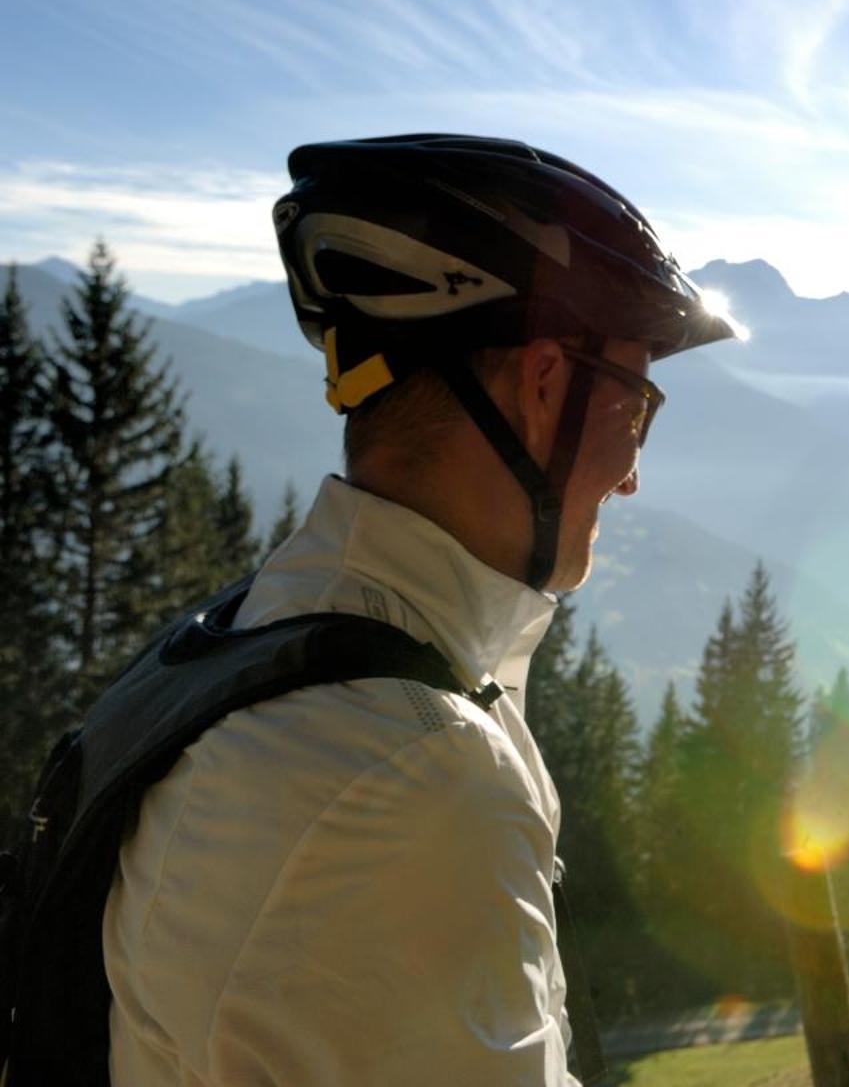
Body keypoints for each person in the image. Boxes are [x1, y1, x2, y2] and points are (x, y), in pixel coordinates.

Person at [101, 134, 736, 1085]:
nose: (634, 474)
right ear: (545, 384)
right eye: (636, 405)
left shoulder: (256, 640)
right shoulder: (406, 773)